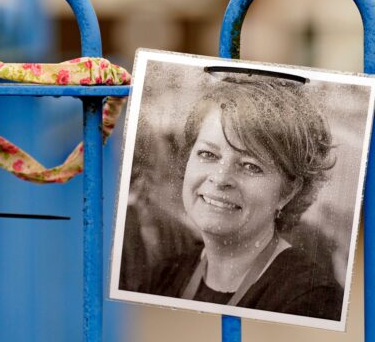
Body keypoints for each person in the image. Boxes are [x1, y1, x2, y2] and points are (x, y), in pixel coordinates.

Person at [121, 74, 344, 321]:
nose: (220, 178)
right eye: (208, 154)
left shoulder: (311, 299)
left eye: (250, 166)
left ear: (288, 191)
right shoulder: (166, 275)